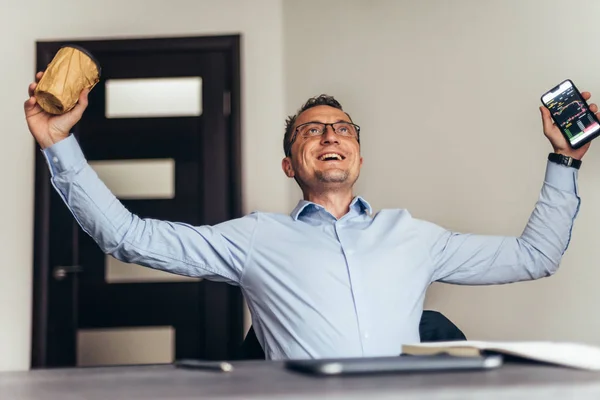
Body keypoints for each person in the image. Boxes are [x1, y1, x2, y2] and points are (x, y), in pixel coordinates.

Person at [25, 71, 592, 360]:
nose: (329, 135)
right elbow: (127, 237)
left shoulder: (416, 236)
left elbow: (534, 256)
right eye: (311, 130)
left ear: (359, 157)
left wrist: (565, 160)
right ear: (289, 164)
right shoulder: (253, 239)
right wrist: (58, 145)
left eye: (342, 128)